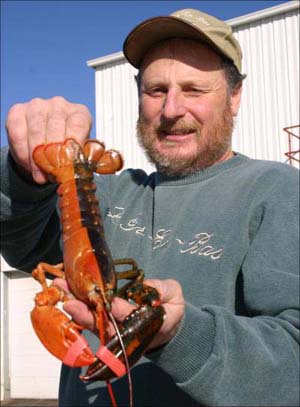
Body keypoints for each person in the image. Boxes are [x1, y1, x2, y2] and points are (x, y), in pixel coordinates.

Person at [1, 8, 299, 407]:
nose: (172, 109)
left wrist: (181, 335)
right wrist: (22, 172)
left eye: (193, 89)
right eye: (156, 90)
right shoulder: (110, 191)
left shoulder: (279, 190)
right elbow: (22, 241)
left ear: (234, 96)